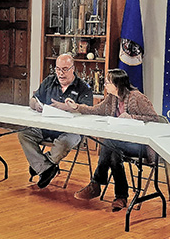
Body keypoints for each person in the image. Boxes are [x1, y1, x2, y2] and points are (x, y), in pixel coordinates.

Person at [61, 69, 158, 211]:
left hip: (142, 145)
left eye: (108, 82)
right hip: (121, 144)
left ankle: (96, 183)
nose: (105, 84)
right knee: (113, 153)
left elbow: (155, 119)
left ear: (117, 84)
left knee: (109, 142)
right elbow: (96, 110)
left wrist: (132, 118)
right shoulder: (112, 98)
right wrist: (76, 107)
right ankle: (121, 197)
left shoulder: (137, 97)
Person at [20, 53, 93, 188]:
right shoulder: (49, 81)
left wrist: (69, 108)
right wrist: (35, 105)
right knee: (24, 134)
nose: (61, 73)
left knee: (65, 142)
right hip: (46, 126)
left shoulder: (83, 87)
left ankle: (42, 165)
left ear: (73, 69)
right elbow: (33, 99)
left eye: (65, 69)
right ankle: (46, 168)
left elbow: (89, 109)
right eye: (58, 69)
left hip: (70, 131)